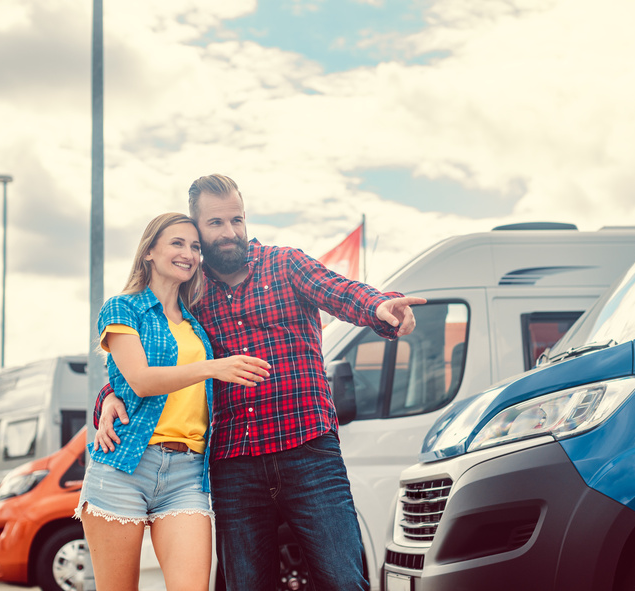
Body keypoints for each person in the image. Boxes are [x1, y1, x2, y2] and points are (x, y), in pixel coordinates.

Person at [95, 175, 426, 591]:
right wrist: (109, 395)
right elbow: (153, 355)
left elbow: (341, 291)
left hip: (308, 451)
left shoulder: (285, 264)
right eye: (216, 223)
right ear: (198, 229)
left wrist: (381, 307)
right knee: (246, 584)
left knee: (344, 580)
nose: (230, 232)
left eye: (237, 219)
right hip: (235, 464)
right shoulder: (191, 294)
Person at [76, 212, 270, 591]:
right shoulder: (122, 308)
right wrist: (212, 367)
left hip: (187, 473)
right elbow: (141, 380)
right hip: (125, 466)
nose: (190, 253)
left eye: (195, 246)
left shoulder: (197, 322)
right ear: (149, 251)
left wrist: (110, 395)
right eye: (177, 243)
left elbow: (128, 384)